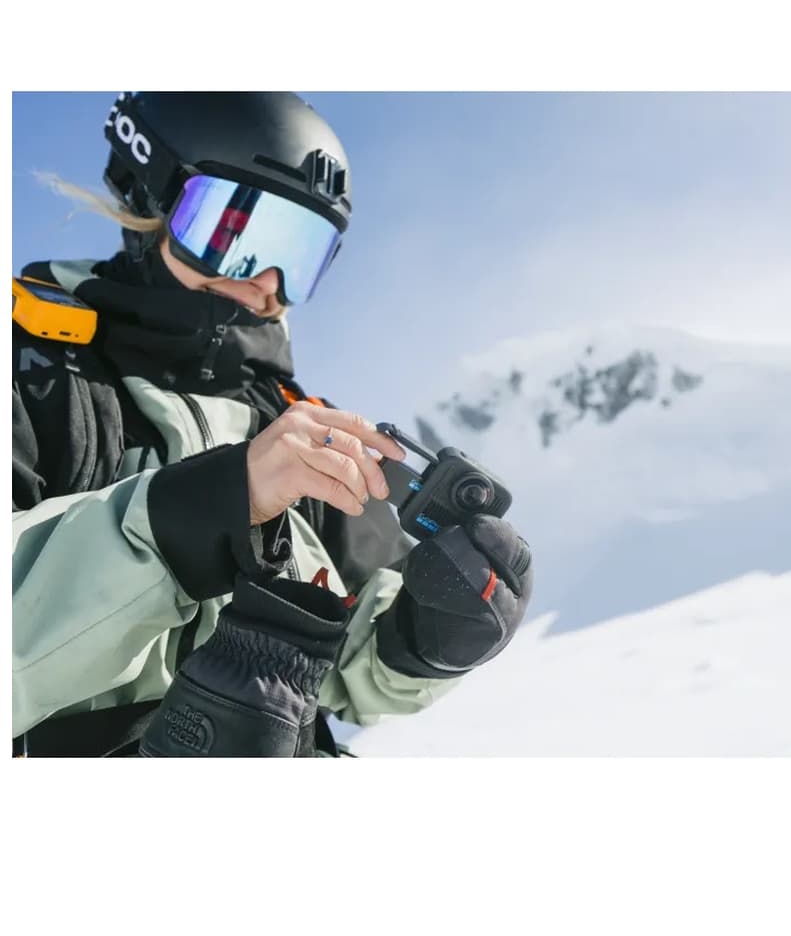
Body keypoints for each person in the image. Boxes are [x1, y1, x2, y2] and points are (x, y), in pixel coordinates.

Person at [12, 91, 534, 757]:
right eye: (234, 233)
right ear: (150, 197)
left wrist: (425, 638)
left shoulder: (293, 429)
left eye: (299, 252)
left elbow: (356, 669)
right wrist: (198, 515)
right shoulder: (29, 372)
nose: (266, 281)